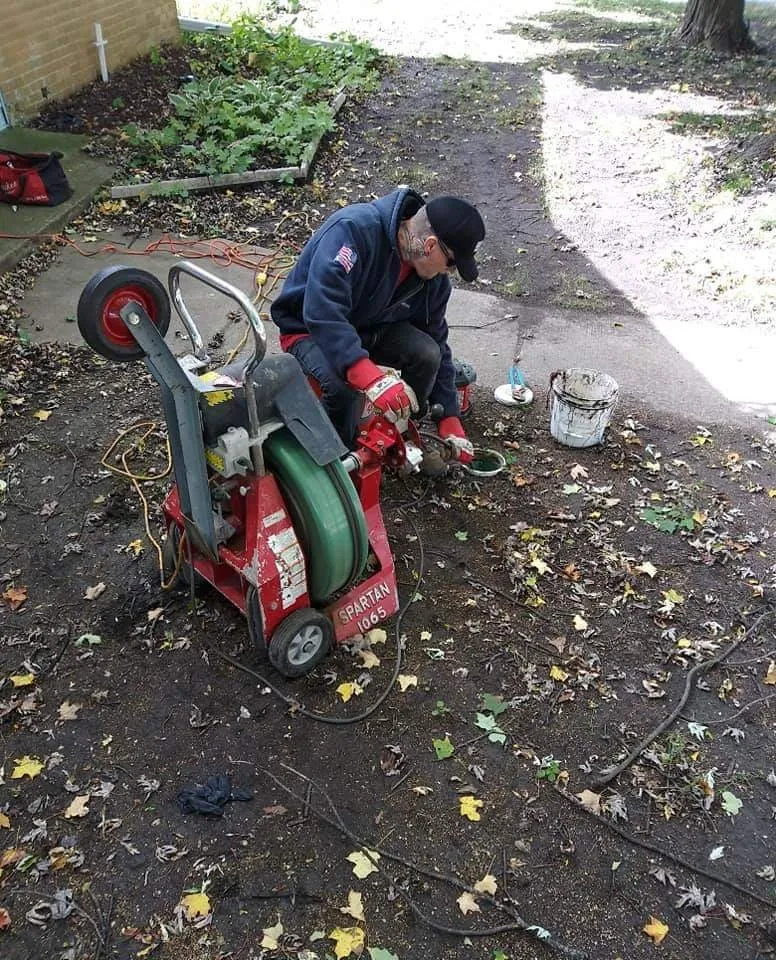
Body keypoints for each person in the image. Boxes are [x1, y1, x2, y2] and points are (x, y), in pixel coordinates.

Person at [270, 186, 485, 471]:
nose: (451, 272)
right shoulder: (353, 232)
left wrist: (448, 415)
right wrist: (367, 375)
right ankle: (339, 467)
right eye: (452, 264)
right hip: (308, 329)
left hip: (369, 328)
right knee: (341, 389)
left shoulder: (433, 282)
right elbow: (322, 311)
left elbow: (438, 340)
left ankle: (397, 430)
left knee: (427, 353)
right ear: (431, 245)